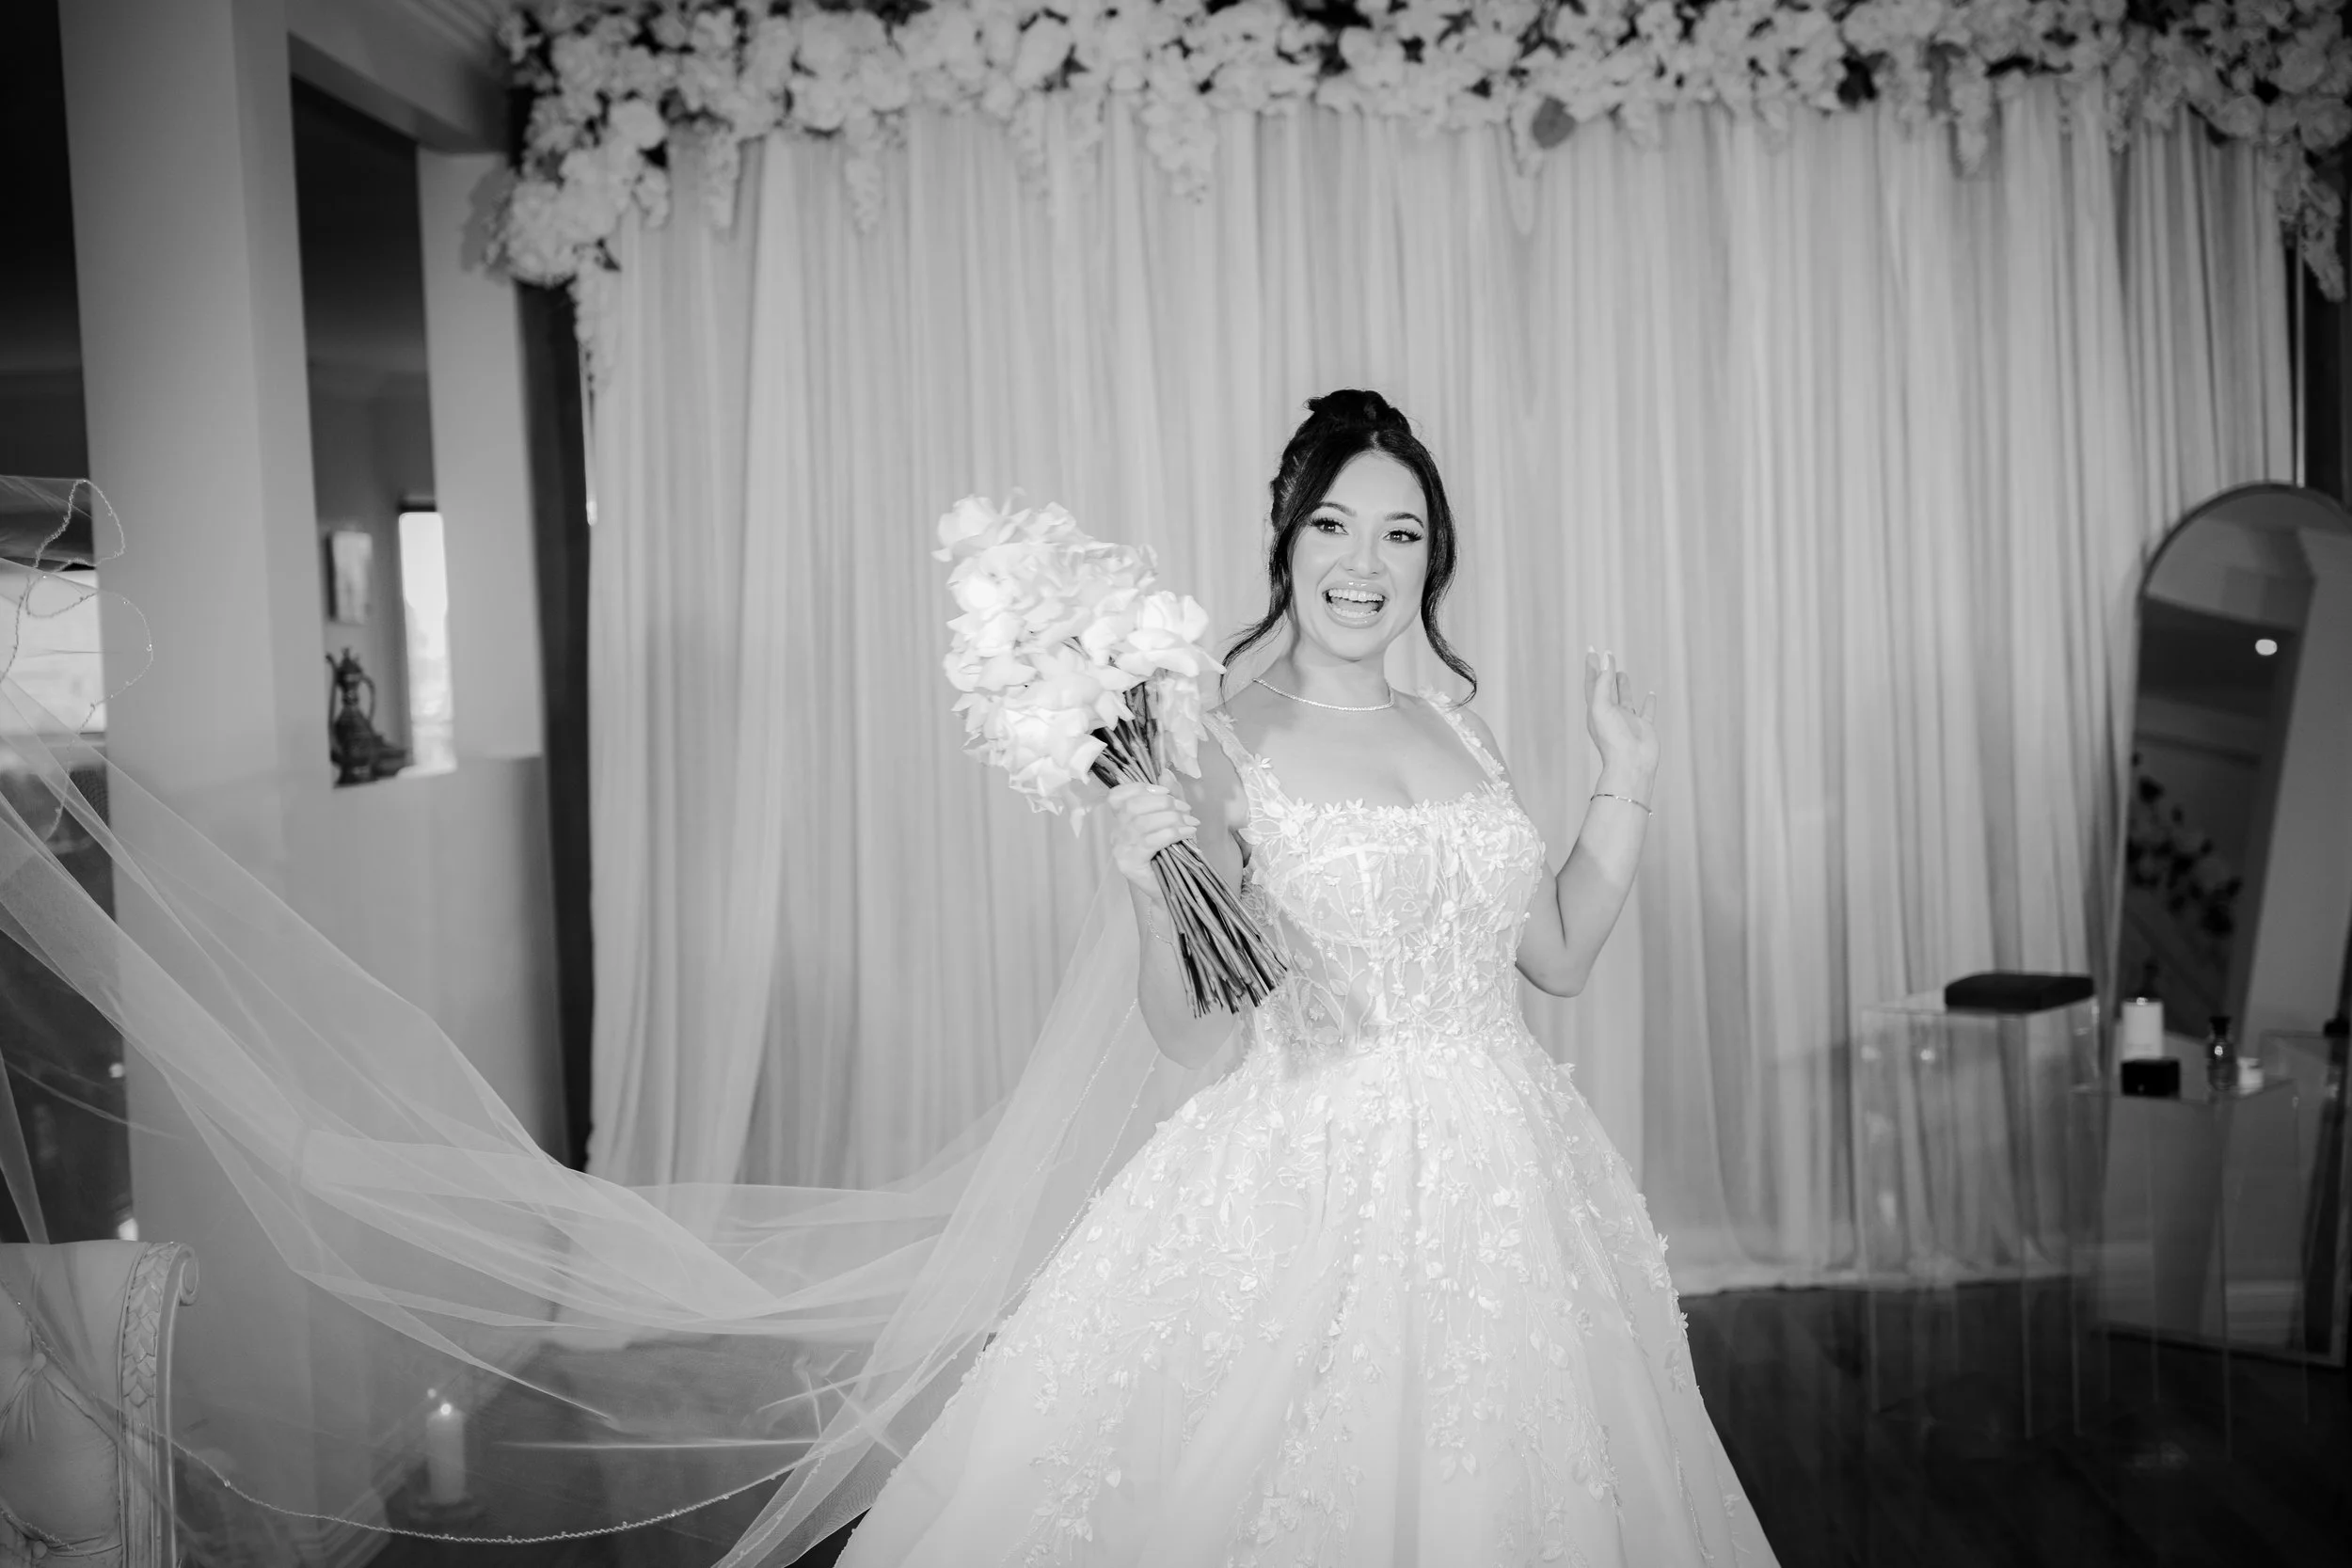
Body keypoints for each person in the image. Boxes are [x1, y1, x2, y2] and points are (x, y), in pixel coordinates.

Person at [834, 391, 1775, 1565]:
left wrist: (1624, 775)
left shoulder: (1461, 733)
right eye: (1333, 525)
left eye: (1400, 533)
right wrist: (1147, 890)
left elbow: (1560, 953)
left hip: (1509, 1181)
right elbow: (1190, 1035)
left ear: (1432, 559)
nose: (1363, 564)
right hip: (1316, 1182)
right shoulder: (1218, 745)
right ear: (1286, 537)